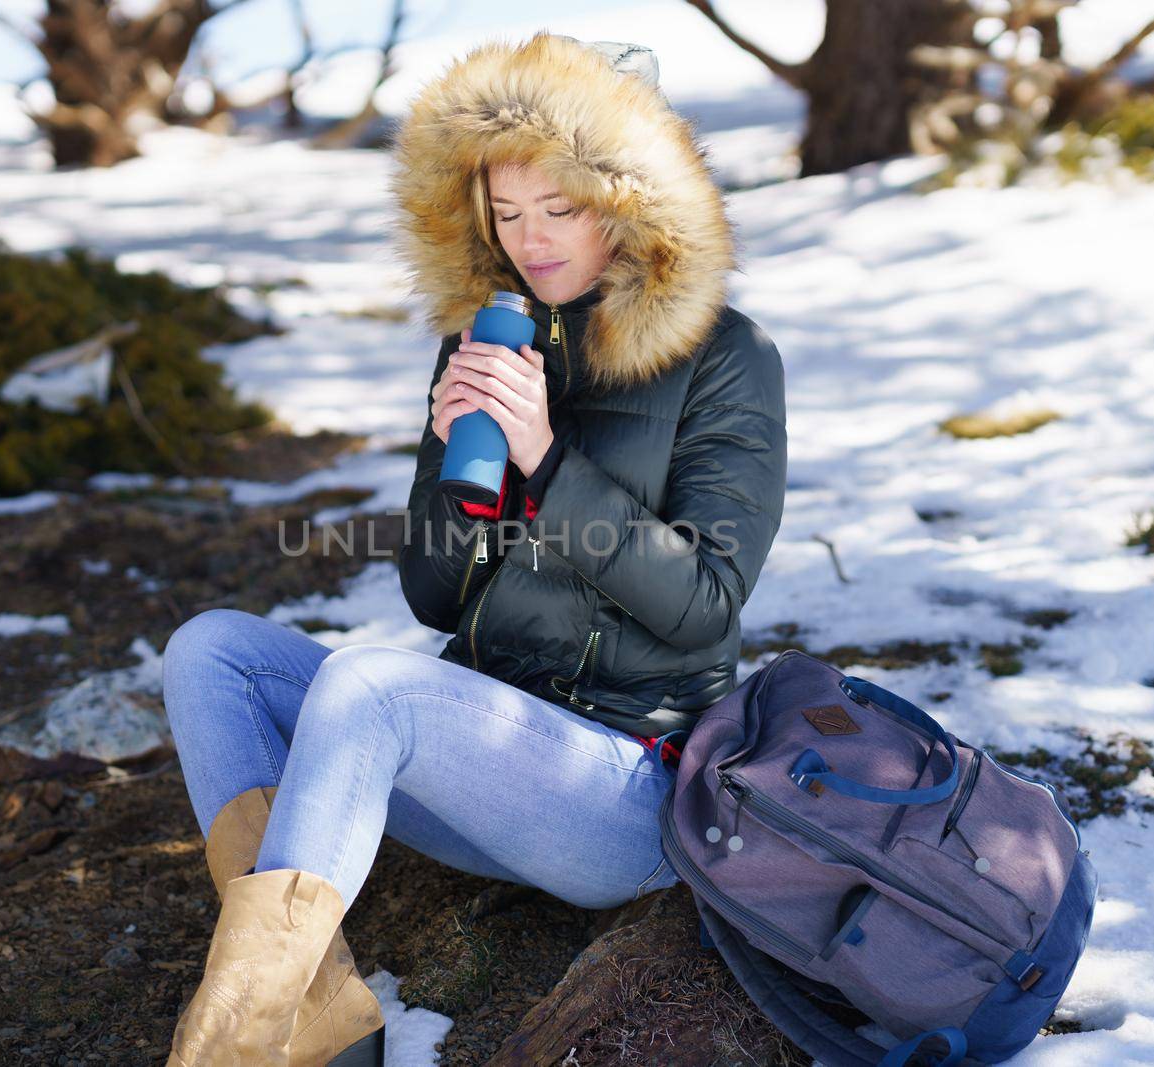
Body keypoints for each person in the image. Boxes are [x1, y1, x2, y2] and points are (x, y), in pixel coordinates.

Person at [160, 31, 788, 1066]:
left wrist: (544, 464)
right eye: (507, 214)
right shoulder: (486, 339)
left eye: (559, 209)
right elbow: (434, 600)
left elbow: (706, 604)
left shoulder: (727, 358)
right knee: (211, 649)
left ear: (628, 200)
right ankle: (306, 1014)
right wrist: (466, 465)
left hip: (624, 788)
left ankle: (227, 1045)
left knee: (371, 688)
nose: (531, 241)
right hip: (475, 756)